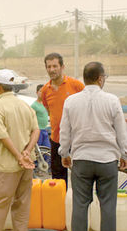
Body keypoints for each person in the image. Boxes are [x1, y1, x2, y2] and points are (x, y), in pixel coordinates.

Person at [58, 62, 127, 231]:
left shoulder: (71, 101)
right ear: (100, 78)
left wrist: (64, 153)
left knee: (80, 205)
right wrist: (124, 155)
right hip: (107, 161)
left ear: (85, 78)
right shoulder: (112, 101)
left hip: (81, 161)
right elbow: (121, 132)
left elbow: (64, 132)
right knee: (108, 206)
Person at [0, 69, 39, 231]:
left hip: (7, 166)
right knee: (22, 203)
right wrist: (27, 152)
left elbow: (2, 136)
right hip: (27, 164)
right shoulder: (25, 106)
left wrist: (18, 156)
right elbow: (36, 131)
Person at [41, 53, 84, 185]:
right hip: (56, 139)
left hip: (77, 139)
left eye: (55, 66)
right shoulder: (45, 90)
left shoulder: (76, 85)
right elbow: (49, 112)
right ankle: (59, 203)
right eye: (49, 67)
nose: (52, 69)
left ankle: (81, 205)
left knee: (81, 177)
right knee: (58, 180)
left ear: (62, 67)